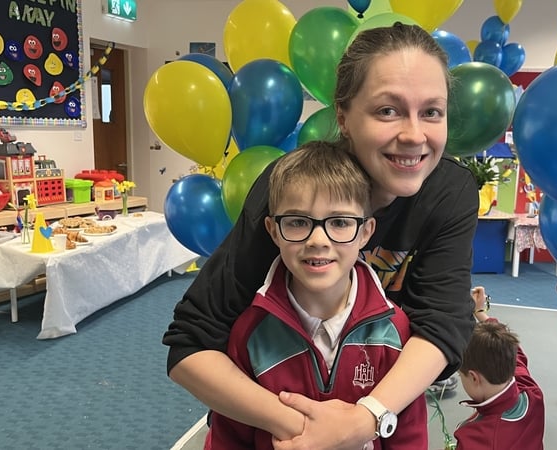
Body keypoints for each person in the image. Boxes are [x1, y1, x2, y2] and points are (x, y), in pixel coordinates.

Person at [163, 22, 480, 450]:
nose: (414, 135)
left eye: (432, 112)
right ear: (344, 117)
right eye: (387, 110)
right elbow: (191, 343)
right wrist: (302, 429)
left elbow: (442, 326)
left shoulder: (451, 192)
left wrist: (365, 419)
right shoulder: (291, 189)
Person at [205, 141, 428, 449]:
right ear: (272, 230)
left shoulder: (395, 331)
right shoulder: (250, 333)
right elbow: (228, 439)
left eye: (339, 222)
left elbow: (409, 438)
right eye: (297, 222)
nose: (318, 240)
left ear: (366, 231)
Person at [454, 286, 545, 450]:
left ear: (474, 378)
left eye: (462, 376)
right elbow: (515, 352)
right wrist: (481, 312)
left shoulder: (474, 438)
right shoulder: (531, 392)